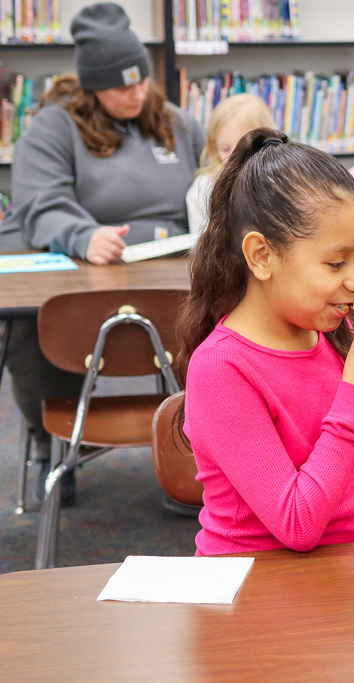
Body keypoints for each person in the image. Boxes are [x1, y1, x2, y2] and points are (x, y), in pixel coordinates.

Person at [0, 1, 204, 502]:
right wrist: (81, 233)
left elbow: (212, 183)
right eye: (120, 86)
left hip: (167, 270)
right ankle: (51, 445)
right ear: (92, 86)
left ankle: (200, 445)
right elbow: (38, 203)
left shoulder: (177, 123)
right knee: (34, 322)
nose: (135, 93)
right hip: (83, 270)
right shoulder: (53, 126)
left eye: (141, 82)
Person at [175, 127, 354, 555]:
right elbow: (297, 524)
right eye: (336, 262)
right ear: (262, 256)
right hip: (256, 588)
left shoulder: (335, 333)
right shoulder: (221, 368)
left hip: (345, 572)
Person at [185, 92, 354, 235]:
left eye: (244, 146)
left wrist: (346, 189)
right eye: (226, 149)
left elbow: (318, 223)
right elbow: (202, 252)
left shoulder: (285, 181)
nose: (236, 157)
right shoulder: (203, 189)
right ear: (213, 146)